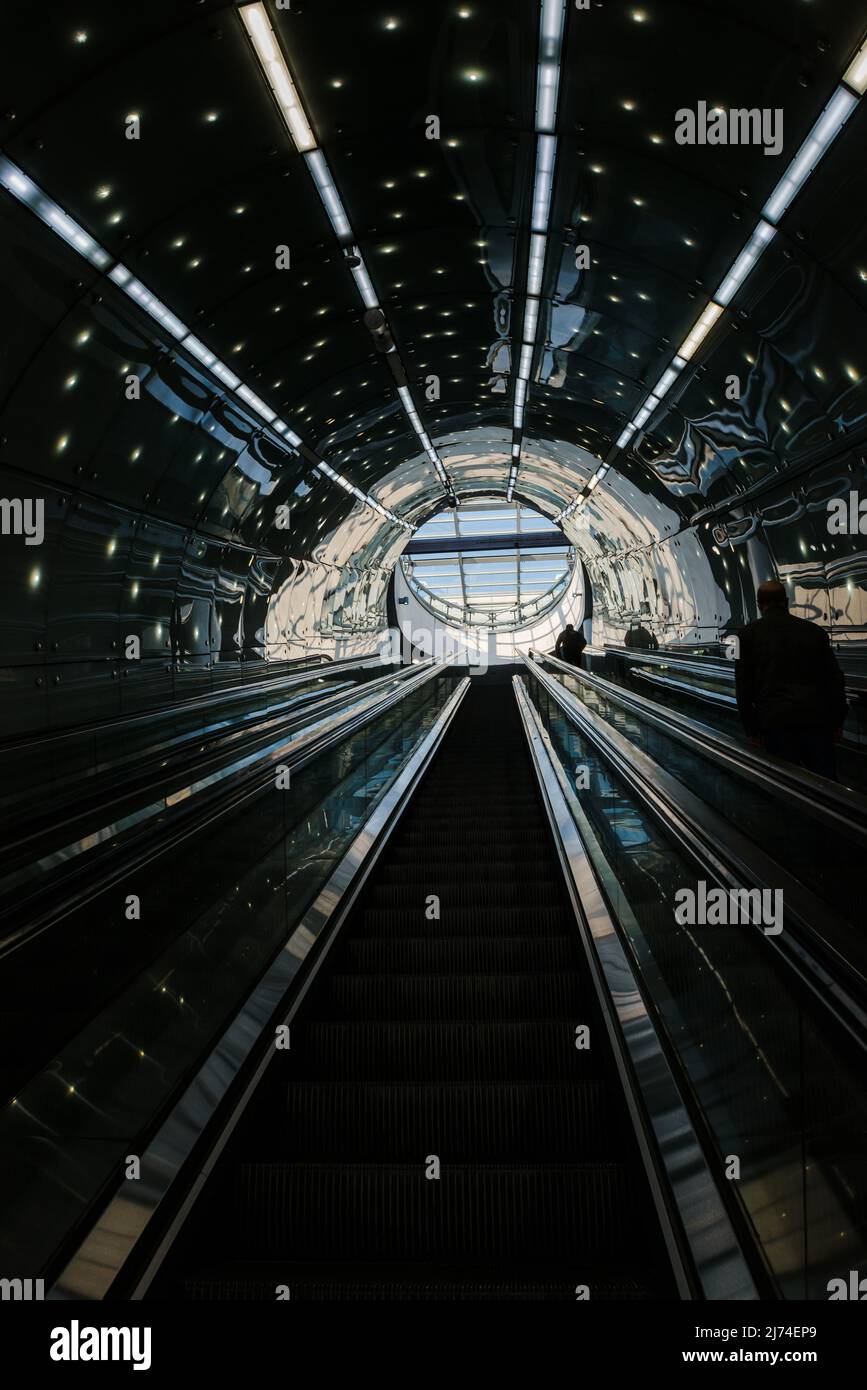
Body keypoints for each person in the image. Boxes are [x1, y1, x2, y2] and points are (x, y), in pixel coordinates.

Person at [734, 579, 847, 780]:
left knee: (786, 783)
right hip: (816, 720)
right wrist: (837, 721)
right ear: (786, 601)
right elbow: (834, 680)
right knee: (825, 785)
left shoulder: (746, 636)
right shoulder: (814, 632)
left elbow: (743, 687)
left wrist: (751, 729)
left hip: (775, 723)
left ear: (759, 604)